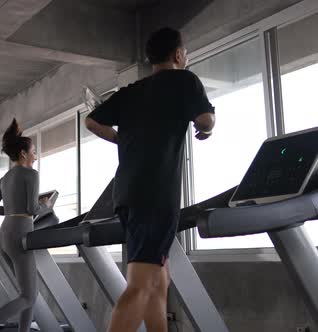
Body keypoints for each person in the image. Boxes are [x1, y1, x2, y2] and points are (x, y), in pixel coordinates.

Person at [85, 27, 216, 332]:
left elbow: (92, 121)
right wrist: (207, 126)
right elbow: (205, 120)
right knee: (140, 285)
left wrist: (121, 139)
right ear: (179, 54)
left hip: (127, 193)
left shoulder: (133, 90)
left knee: (159, 282)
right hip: (156, 194)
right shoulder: (185, 80)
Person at [0, 119, 52, 332]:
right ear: (24, 154)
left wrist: (9, 210)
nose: (35, 155)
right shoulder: (31, 174)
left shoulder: (5, 178)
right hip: (20, 233)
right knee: (28, 295)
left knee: (27, 294)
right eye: (33, 151)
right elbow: (33, 209)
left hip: (3, 236)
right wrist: (46, 205)